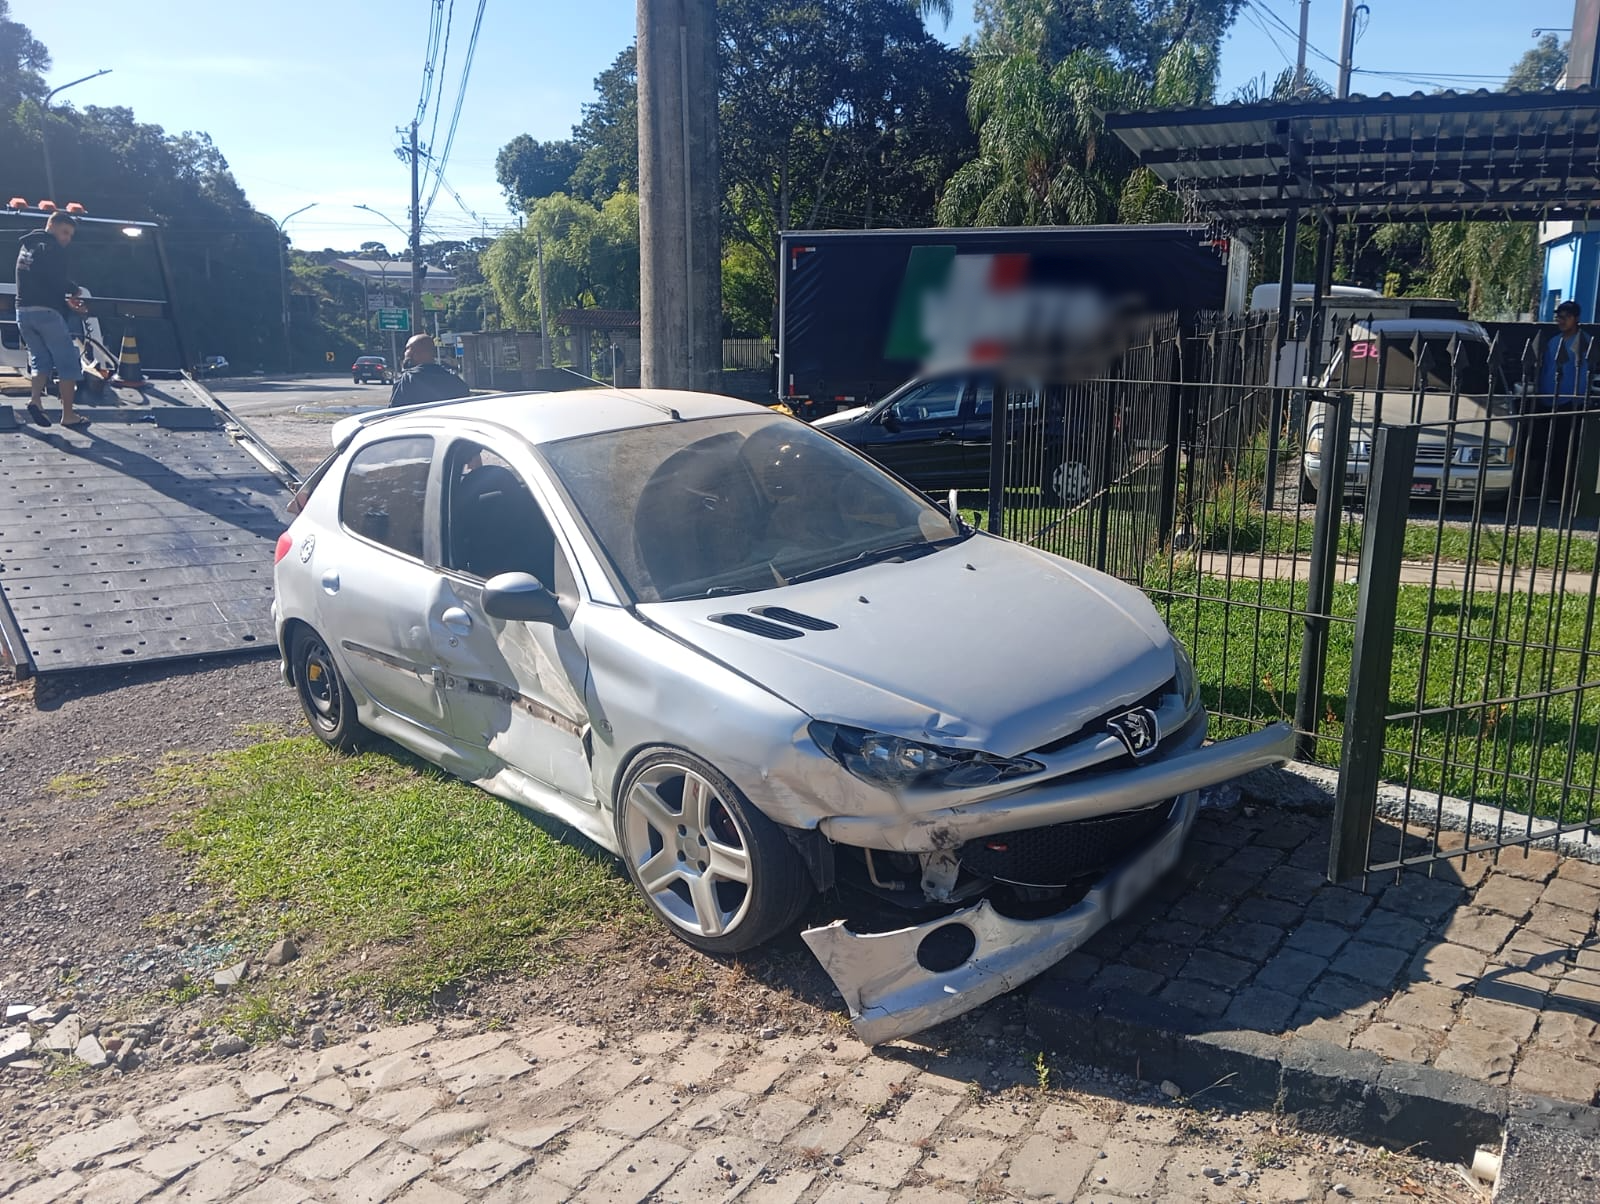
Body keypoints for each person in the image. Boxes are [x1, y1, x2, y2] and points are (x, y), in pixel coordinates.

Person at [14, 212, 89, 429]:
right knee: (67, 362)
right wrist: (74, 290)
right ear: (52, 225)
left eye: (70, 235)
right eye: (65, 232)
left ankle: (35, 400)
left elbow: (40, 280)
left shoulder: (27, 247)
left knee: (39, 358)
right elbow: (56, 280)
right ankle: (68, 415)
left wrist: (61, 301)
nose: (67, 239)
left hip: (23, 313)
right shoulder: (52, 248)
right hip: (46, 314)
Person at [1525, 300, 1592, 497]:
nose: (1560, 320)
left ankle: (1559, 489)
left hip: (1570, 403)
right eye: (1558, 316)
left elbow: (1583, 374)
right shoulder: (1554, 341)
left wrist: (1576, 399)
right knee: (1544, 445)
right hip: (1548, 400)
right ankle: (1540, 486)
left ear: (1576, 318)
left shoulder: (1583, 342)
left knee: (1564, 448)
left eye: (1565, 317)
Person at [388, 334, 470, 409]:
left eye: (407, 349)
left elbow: (394, 415)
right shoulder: (455, 381)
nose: (405, 354)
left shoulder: (406, 381)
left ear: (416, 355)